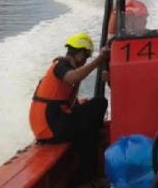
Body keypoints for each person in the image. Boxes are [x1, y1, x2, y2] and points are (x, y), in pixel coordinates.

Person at [29, 33, 109, 188]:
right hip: (52, 126)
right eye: (86, 57)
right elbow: (73, 77)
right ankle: (86, 179)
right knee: (100, 103)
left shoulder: (63, 67)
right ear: (80, 54)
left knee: (87, 133)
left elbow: (66, 101)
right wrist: (99, 60)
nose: (85, 61)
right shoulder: (61, 66)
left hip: (51, 125)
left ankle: (85, 179)